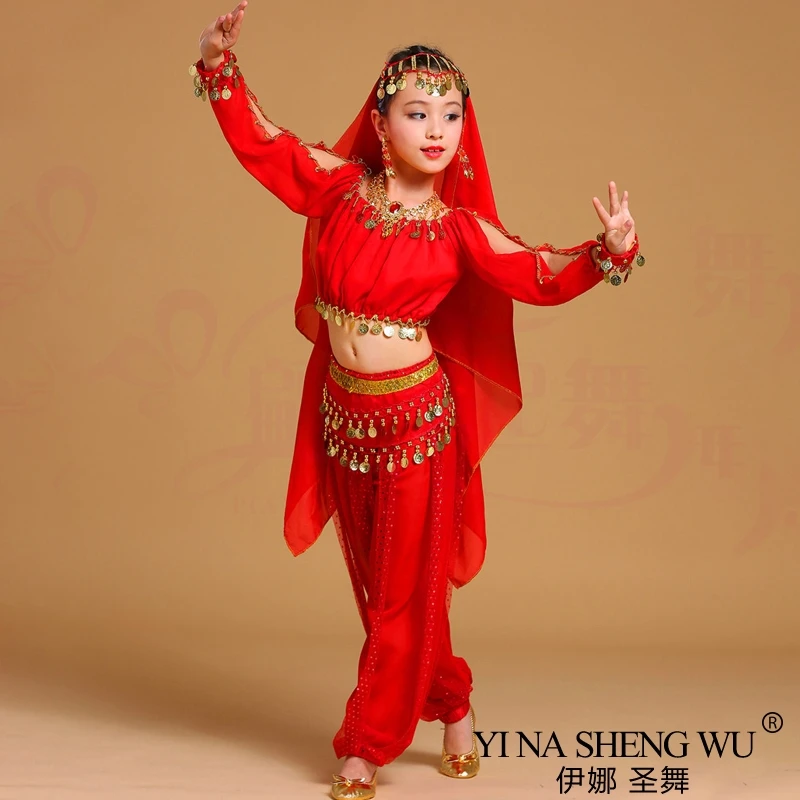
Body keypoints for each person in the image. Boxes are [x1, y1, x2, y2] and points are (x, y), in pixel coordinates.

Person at [190, 3, 645, 797]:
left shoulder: (459, 230)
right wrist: (218, 67)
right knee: (387, 593)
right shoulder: (340, 188)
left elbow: (536, 274)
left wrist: (611, 250)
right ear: (381, 121)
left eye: (451, 115)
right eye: (417, 112)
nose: (437, 129)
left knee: (402, 594)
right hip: (344, 418)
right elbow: (266, 147)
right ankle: (453, 702)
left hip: (416, 427)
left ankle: (365, 746)